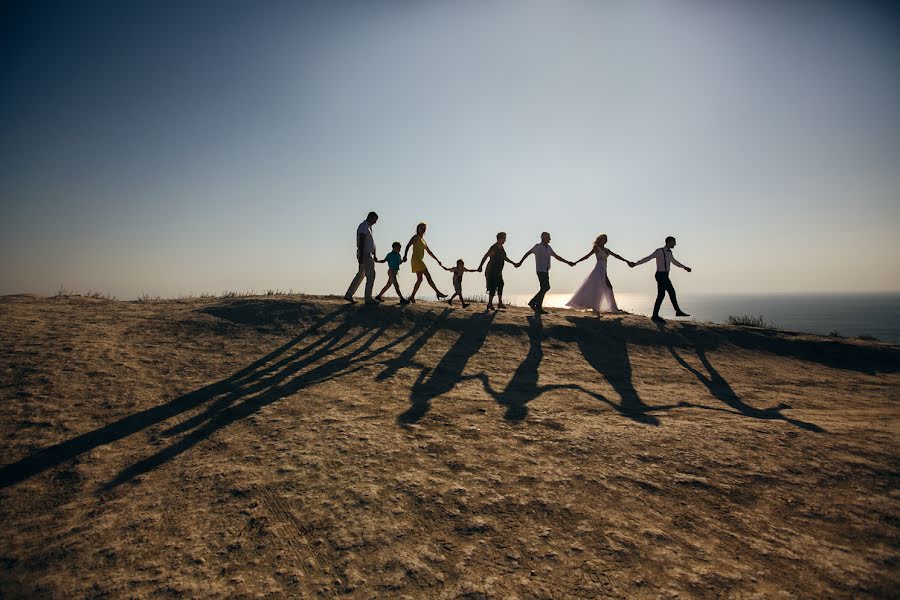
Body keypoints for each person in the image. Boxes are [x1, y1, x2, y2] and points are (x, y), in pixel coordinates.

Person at [630, 235, 692, 323]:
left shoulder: (669, 253)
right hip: (660, 275)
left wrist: (684, 267)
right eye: (674, 242)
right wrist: (635, 264)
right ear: (669, 242)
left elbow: (674, 262)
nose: (675, 244)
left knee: (670, 292)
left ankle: (676, 311)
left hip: (666, 275)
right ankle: (655, 315)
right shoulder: (659, 251)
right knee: (662, 294)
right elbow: (647, 258)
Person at [566, 234, 631, 316]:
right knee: (600, 288)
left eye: (605, 239)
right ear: (600, 240)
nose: (604, 240)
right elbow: (587, 256)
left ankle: (612, 308)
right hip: (598, 270)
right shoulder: (596, 248)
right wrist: (576, 262)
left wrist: (627, 261)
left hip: (604, 270)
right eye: (603, 238)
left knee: (607, 287)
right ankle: (599, 309)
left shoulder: (607, 250)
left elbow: (617, 256)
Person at [515, 232, 574, 314]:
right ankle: (535, 304)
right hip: (540, 270)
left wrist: (568, 262)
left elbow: (557, 257)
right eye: (548, 237)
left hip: (545, 270)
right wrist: (520, 262)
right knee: (545, 287)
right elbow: (528, 253)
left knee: (544, 287)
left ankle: (535, 304)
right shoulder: (537, 247)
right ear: (543, 238)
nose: (550, 239)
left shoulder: (549, 248)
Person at [403, 222, 447, 303]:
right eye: (421, 228)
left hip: (419, 260)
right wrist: (405, 256)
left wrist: (437, 260)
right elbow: (408, 245)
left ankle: (412, 296)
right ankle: (438, 292)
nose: (423, 230)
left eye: (424, 228)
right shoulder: (415, 237)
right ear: (418, 229)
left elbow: (429, 252)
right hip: (416, 260)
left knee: (419, 279)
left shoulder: (423, 240)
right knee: (428, 276)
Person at [344, 211, 378, 304]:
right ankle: (368, 298)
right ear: (370, 217)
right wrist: (362, 255)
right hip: (365, 254)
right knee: (371, 275)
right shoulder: (364, 226)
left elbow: (371, 242)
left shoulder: (368, 227)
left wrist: (374, 254)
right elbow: (362, 240)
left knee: (361, 275)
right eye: (375, 220)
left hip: (367, 254)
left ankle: (349, 294)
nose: (375, 222)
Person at [477, 232, 516, 311]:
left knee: (501, 284)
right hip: (492, 270)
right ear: (500, 238)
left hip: (498, 271)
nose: (505, 240)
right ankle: (490, 303)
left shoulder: (501, 247)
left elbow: (504, 258)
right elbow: (486, 256)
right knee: (493, 287)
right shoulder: (494, 247)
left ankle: (500, 303)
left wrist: (513, 263)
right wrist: (480, 266)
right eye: (504, 238)